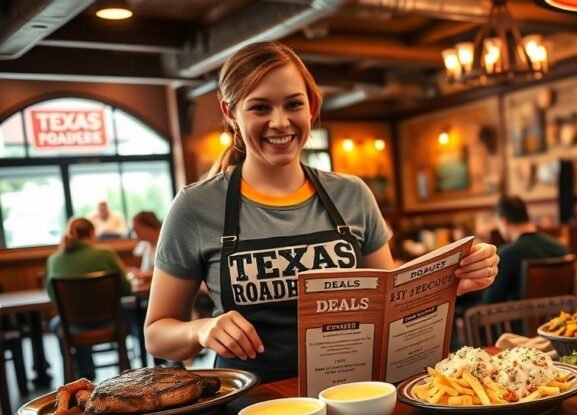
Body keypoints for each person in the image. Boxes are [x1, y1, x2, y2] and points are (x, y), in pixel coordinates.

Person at [145, 42, 498, 382]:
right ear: (230, 113)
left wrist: (453, 281)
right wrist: (202, 328)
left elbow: (392, 308)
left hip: (353, 394)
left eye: (293, 105)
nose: (280, 122)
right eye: (260, 108)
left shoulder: (352, 194)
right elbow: (157, 334)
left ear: (311, 106)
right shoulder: (195, 206)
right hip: (252, 406)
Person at [44, 218, 132, 380]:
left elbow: (51, 296)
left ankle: (84, 373)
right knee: (132, 316)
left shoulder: (54, 259)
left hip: (72, 326)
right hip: (112, 322)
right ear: (92, 233)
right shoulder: (105, 254)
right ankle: (130, 373)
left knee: (57, 323)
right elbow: (126, 289)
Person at [481, 196, 568, 304]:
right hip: (560, 317)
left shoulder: (507, 254)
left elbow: (490, 301)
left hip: (520, 319)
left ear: (504, 222)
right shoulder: (559, 247)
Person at [131, 211, 161, 275]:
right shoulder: (145, 244)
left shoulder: (164, 245)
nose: (135, 234)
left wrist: (149, 275)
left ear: (149, 228)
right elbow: (145, 270)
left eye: (136, 229)